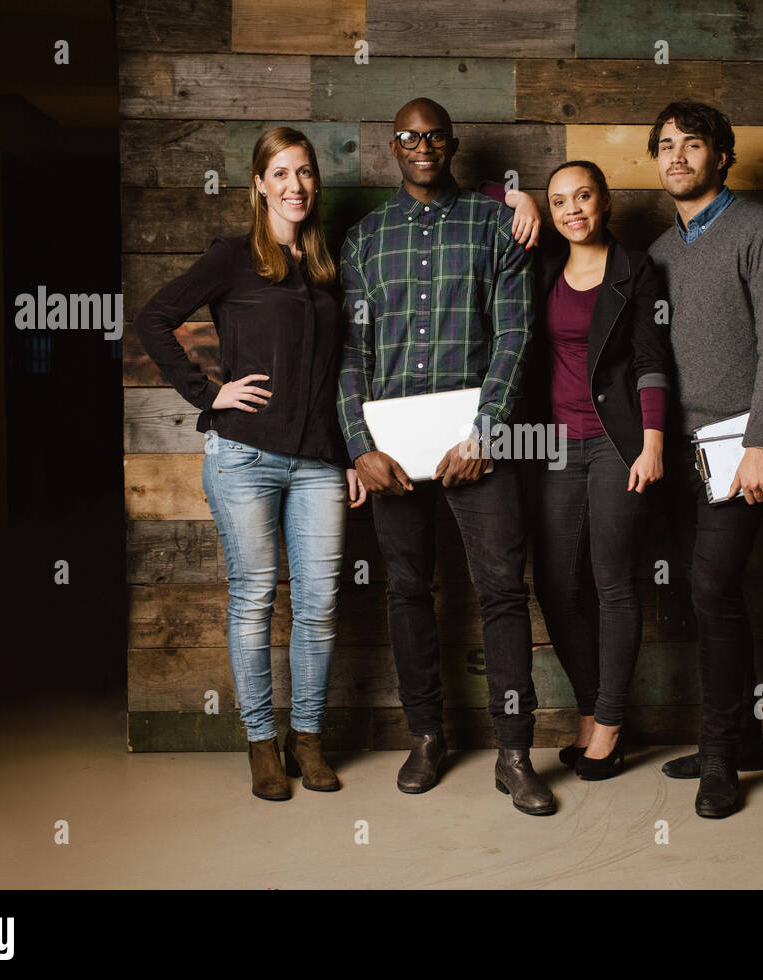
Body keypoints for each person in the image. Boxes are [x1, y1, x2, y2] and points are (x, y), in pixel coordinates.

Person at [133, 127, 367, 802]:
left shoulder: (327, 267)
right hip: (244, 457)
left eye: (306, 173)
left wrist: (351, 449)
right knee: (254, 601)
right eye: (281, 173)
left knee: (320, 606)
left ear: (315, 184)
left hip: (320, 462)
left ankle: (309, 740)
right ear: (260, 184)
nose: (296, 185)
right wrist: (210, 393)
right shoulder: (233, 258)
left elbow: (339, 370)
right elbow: (154, 319)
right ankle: (262, 744)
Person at [337, 97, 555, 816]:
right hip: (394, 457)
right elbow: (350, 355)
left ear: (452, 144)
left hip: (478, 450)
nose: (422, 146)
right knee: (407, 592)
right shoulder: (365, 240)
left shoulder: (496, 225)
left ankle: (515, 753)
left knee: (501, 593)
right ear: (392, 147)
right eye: (408, 137)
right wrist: (360, 449)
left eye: (433, 136)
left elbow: (515, 337)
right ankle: (427, 735)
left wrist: (488, 432)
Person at [478, 162, 672, 780]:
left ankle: (610, 725)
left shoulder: (636, 270)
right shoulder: (540, 269)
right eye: (559, 202)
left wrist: (653, 443)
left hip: (619, 444)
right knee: (556, 588)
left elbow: (650, 359)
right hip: (554, 450)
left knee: (612, 584)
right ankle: (594, 707)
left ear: (604, 200)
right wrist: (516, 197)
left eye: (582, 196)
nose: (571, 210)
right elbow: (451, 196)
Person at [644, 101, 763, 818]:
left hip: (739, 449)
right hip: (677, 455)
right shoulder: (658, 253)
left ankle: (719, 758)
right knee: (715, 596)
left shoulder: (758, 228)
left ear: (721, 155)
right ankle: (743, 739)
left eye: (692, 144)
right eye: (666, 146)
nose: (677, 156)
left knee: (710, 591)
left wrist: (762, 441)